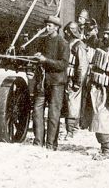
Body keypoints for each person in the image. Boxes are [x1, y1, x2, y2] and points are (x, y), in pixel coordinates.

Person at [81, 21, 109, 159]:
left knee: (102, 119)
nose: (105, 36)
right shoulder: (105, 47)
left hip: (107, 90)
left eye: (108, 34)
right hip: (98, 88)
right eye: (104, 33)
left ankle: (107, 150)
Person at [30, 15, 70, 150]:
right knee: (36, 111)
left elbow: (63, 65)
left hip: (56, 83)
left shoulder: (63, 43)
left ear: (57, 28)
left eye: (50, 26)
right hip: (42, 81)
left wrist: (45, 60)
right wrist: (36, 57)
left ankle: (51, 144)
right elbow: (39, 57)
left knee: (53, 115)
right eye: (46, 25)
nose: (47, 28)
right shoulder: (43, 41)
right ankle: (38, 142)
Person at [62, 21, 89, 141]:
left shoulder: (79, 45)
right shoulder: (69, 43)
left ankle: (71, 131)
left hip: (73, 80)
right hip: (66, 78)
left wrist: (78, 82)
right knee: (68, 104)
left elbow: (82, 66)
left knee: (73, 104)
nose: (66, 33)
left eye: (68, 30)